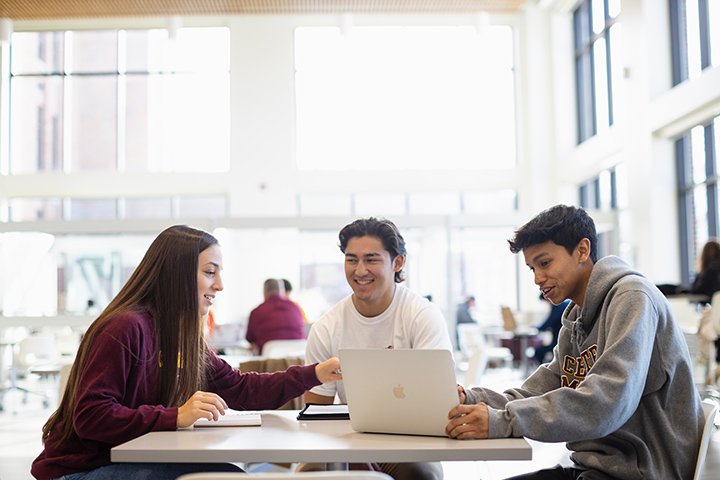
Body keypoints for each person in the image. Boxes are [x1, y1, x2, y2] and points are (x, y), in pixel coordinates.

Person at [31, 225, 341, 480]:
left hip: (120, 461)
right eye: (210, 272)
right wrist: (176, 416)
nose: (219, 285)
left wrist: (314, 373)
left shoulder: (181, 336)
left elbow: (242, 389)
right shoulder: (125, 326)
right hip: (80, 470)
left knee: (227, 475)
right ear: (177, 275)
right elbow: (91, 417)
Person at [445, 204, 704, 480]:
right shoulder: (576, 317)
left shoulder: (632, 298)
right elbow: (541, 389)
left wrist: (502, 421)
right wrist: (473, 399)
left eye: (544, 263)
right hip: (592, 470)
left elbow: (606, 403)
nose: (537, 278)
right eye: (532, 268)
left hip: (640, 474)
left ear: (582, 250)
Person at [303, 217, 452, 480]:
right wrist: (355, 451)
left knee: (421, 474)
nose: (360, 270)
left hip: (411, 443)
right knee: (310, 473)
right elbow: (317, 415)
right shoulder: (327, 326)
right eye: (351, 260)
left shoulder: (422, 316)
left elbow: (438, 405)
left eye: (371, 259)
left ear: (398, 262)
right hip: (349, 440)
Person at [245, 278, 307, 355]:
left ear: (264, 292)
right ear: (282, 291)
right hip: (299, 357)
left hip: (269, 360)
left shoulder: (257, 311)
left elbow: (250, 339)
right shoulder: (296, 308)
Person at [532, 293, 569, 364]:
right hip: (562, 338)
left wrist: (536, 327)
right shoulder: (564, 304)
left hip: (560, 341)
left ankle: (542, 371)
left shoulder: (558, 306)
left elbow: (548, 323)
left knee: (538, 352)